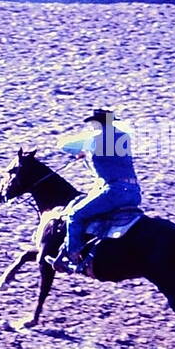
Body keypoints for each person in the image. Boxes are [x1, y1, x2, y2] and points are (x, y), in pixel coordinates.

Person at [50, 108, 142, 273]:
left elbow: (63, 145)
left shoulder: (95, 138)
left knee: (75, 215)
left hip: (114, 191)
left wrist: (84, 150)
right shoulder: (123, 137)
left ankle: (72, 255)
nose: (91, 126)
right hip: (134, 192)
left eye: (92, 123)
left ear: (98, 123)